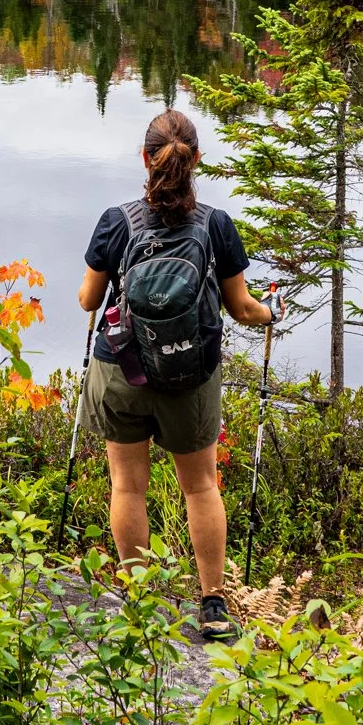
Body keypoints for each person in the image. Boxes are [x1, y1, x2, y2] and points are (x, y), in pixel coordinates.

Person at [76, 107, 276, 642]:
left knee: (128, 486)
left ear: (144, 158)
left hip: (122, 370)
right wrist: (268, 313)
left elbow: (88, 299)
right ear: (197, 162)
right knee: (201, 486)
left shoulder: (116, 220)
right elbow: (241, 307)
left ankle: (139, 599)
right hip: (190, 373)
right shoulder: (216, 224)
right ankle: (212, 606)